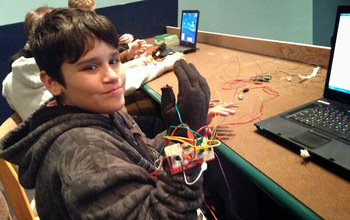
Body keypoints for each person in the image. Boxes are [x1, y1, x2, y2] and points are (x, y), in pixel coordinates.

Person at [0, 8, 211, 219]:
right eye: (90, 67)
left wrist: (181, 134)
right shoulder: (87, 156)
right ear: (52, 83)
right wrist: (190, 140)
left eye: (113, 60)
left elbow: (142, 153)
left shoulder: (100, 110)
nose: (112, 76)